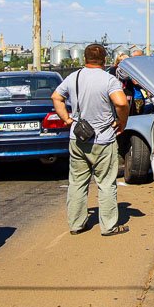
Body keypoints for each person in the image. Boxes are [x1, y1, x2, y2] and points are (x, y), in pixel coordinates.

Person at [52, 43, 131, 237]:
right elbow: (121, 102)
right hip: (103, 138)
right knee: (106, 183)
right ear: (104, 60)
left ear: (84, 59)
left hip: (78, 138)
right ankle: (109, 226)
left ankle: (76, 224)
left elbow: (56, 97)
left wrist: (68, 119)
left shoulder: (74, 77)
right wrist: (122, 122)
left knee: (77, 182)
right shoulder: (109, 80)